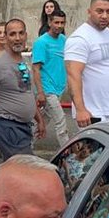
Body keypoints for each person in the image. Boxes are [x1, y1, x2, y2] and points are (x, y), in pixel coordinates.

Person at [0, 19, 45, 158]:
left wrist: (39, 120)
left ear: (26, 35)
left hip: (25, 126)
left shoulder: (24, 63)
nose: (18, 38)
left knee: (17, 170)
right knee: (24, 166)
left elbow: (27, 93)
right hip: (7, 127)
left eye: (21, 33)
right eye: (13, 34)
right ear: (6, 38)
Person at [64, 0, 109, 127]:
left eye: (108, 11)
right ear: (89, 12)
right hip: (93, 114)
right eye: (99, 11)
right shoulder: (79, 39)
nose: (104, 16)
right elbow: (73, 76)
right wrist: (80, 110)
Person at [31, 9, 72, 146]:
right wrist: (40, 92)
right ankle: (68, 155)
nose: (59, 26)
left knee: (44, 120)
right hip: (47, 89)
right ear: (49, 22)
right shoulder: (41, 42)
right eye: (56, 22)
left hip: (59, 88)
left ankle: (25, 146)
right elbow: (36, 69)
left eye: (62, 23)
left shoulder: (64, 40)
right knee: (61, 122)